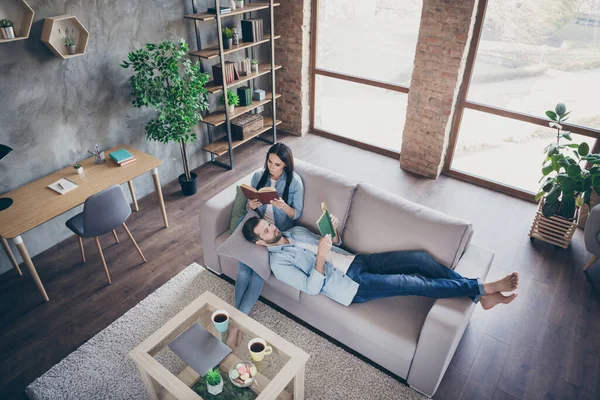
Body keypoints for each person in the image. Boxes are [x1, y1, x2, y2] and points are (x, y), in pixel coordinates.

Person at [241, 214, 519, 309]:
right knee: (413, 283)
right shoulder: (279, 264)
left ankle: (479, 297)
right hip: (351, 285)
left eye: (269, 224)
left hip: (357, 260)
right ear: (260, 243)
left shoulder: (295, 232)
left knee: (419, 259)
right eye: (266, 231)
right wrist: (322, 256)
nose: (272, 228)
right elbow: (312, 288)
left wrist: (332, 233)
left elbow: (333, 244)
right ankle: (482, 289)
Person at [234, 143, 304, 314]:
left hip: (274, 232)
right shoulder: (258, 176)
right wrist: (251, 205)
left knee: (257, 274)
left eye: (277, 164)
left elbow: (296, 214)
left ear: (286, 164)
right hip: (258, 226)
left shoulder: (294, 183)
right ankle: (237, 316)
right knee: (243, 271)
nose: (272, 167)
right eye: (269, 162)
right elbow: (251, 209)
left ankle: (237, 321)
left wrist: (283, 206)